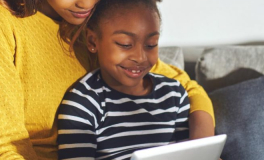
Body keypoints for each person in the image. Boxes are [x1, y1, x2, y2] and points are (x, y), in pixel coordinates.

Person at [0, 0, 213, 159]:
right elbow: (3, 147)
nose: (85, 3)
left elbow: (188, 88)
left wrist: (200, 151)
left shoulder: (91, 23)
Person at [57, 0, 190, 159]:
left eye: (150, 44)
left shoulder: (174, 94)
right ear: (93, 41)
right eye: (125, 44)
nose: (140, 57)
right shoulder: (83, 104)